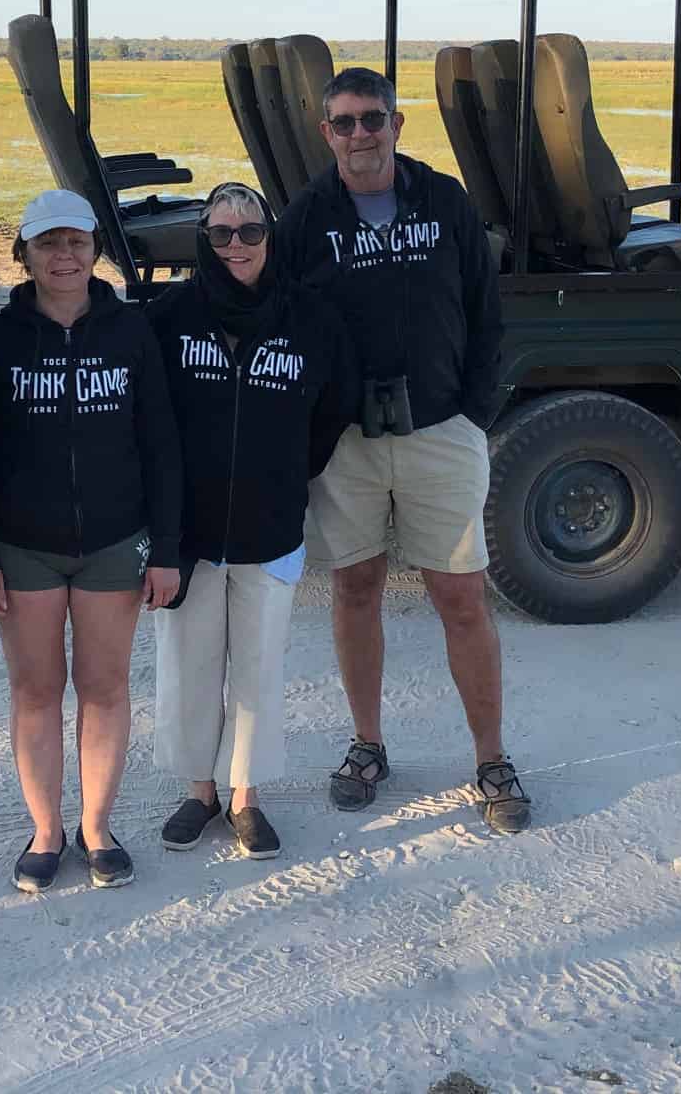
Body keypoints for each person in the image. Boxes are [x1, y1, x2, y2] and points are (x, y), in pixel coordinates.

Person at [276, 66, 531, 834]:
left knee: (460, 597)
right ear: (327, 133)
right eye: (346, 122)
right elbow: (284, 320)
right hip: (348, 441)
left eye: (374, 119)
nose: (361, 134)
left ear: (397, 124)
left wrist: (472, 414)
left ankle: (490, 757)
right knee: (355, 589)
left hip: (439, 431)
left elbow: (487, 313)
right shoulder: (306, 218)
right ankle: (368, 744)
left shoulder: (444, 201)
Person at [0, 189, 182, 893]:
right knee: (36, 691)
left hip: (114, 543)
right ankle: (45, 831)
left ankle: (96, 827)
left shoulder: (130, 331)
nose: (63, 256)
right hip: (23, 545)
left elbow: (161, 444)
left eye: (76, 242)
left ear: (96, 250)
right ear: (24, 254)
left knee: (104, 688)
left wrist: (169, 550)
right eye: (47, 243)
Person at [147, 182, 356, 859]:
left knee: (259, 669)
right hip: (189, 533)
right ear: (202, 240)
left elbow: (334, 406)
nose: (236, 245)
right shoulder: (170, 316)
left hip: (271, 527)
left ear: (271, 236)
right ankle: (200, 790)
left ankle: (246, 797)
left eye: (250, 231)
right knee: (189, 664)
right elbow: (147, 420)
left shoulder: (312, 318)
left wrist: (288, 469)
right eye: (220, 233)